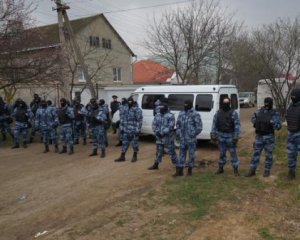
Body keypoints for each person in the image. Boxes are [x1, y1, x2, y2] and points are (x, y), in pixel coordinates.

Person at [245, 97, 281, 177]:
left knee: (268, 155)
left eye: (268, 103)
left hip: (269, 137)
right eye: (266, 103)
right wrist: (258, 122)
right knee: (255, 153)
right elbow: (252, 119)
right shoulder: (259, 111)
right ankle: (252, 170)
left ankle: (267, 171)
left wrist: (272, 122)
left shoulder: (274, 113)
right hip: (259, 136)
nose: (267, 105)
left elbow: (278, 126)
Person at [211, 97, 241, 176]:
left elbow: (237, 125)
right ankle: (220, 168)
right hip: (221, 136)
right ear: (222, 103)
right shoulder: (218, 113)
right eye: (224, 103)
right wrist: (213, 134)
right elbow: (214, 124)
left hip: (230, 136)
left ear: (229, 103)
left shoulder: (233, 113)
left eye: (227, 103)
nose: (225, 104)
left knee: (232, 153)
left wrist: (236, 136)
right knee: (222, 153)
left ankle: (235, 169)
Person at [148, 100, 178, 174]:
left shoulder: (170, 115)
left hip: (168, 138)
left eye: (162, 107)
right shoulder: (157, 115)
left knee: (171, 152)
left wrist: (162, 132)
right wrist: (156, 132)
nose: (160, 109)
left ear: (166, 108)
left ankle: (177, 166)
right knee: (158, 152)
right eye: (160, 108)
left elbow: (171, 126)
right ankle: (156, 164)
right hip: (159, 137)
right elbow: (154, 124)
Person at [175, 100, 202, 176]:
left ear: (190, 105)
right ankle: (180, 171)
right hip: (182, 139)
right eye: (184, 104)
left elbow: (199, 127)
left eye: (186, 105)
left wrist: (192, 134)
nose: (185, 106)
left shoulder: (195, 114)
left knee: (191, 155)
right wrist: (179, 133)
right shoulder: (181, 113)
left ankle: (190, 170)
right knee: (181, 155)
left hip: (191, 139)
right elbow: (178, 125)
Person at [115, 96, 143, 162]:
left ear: (133, 101)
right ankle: (122, 156)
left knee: (134, 144)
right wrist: (121, 127)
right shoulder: (125, 108)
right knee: (124, 143)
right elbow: (122, 118)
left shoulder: (137, 109)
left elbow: (139, 120)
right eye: (128, 101)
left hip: (133, 130)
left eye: (131, 101)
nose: (129, 102)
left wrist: (137, 129)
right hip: (125, 130)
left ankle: (135, 156)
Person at [286, 88, 300, 180]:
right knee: (291, 155)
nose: (292, 97)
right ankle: (291, 173)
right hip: (291, 134)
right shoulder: (289, 106)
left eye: (294, 95)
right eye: (292, 96)